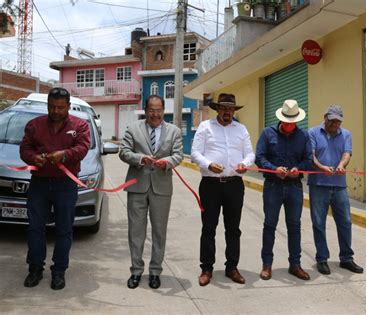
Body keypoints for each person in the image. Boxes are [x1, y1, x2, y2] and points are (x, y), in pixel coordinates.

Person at [20, 87, 90, 290]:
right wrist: (33, 158)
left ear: (68, 106)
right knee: (35, 228)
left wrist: (64, 155)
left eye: (60, 107)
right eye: (52, 107)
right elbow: (25, 148)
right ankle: (35, 269)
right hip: (39, 184)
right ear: (47, 106)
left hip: (66, 185)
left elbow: (82, 148)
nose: (56, 111)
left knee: (64, 229)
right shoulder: (34, 125)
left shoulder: (80, 125)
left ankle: (59, 271)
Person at [119, 95, 183, 289]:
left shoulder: (174, 131)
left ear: (164, 110)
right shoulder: (133, 128)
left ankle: (155, 271)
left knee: (159, 231)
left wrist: (168, 162)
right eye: (151, 110)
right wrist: (140, 158)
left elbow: (178, 154)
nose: (155, 114)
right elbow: (124, 151)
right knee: (136, 231)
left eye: (159, 110)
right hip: (137, 186)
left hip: (161, 187)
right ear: (145, 110)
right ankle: (136, 271)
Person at [191, 93, 255, 286]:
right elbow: (195, 153)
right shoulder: (205, 127)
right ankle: (206, 268)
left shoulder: (241, 129)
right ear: (217, 109)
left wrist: (245, 164)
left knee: (233, 229)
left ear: (234, 111)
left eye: (230, 108)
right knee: (209, 228)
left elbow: (250, 154)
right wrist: (208, 164)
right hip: (211, 185)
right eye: (224, 108)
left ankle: (232, 267)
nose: (227, 111)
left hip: (235, 184)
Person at [255, 100, 312, 281]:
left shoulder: (303, 136)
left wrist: (298, 169)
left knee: (294, 226)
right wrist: (274, 169)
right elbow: (259, 157)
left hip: (294, 187)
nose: (289, 125)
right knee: (270, 224)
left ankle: (295, 265)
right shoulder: (267, 133)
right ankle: (267, 264)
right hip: (273, 186)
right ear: (281, 119)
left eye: (293, 122)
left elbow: (308, 159)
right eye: (287, 122)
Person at [308, 105, 364, 275]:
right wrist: (322, 167)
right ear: (325, 117)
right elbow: (311, 156)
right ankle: (322, 259)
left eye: (338, 121)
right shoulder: (312, 132)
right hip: (318, 184)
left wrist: (341, 165)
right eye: (331, 120)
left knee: (345, 222)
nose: (334, 124)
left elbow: (347, 154)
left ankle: (346, 258)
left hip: (339, 185)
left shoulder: (346, 134)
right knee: (319, 223)